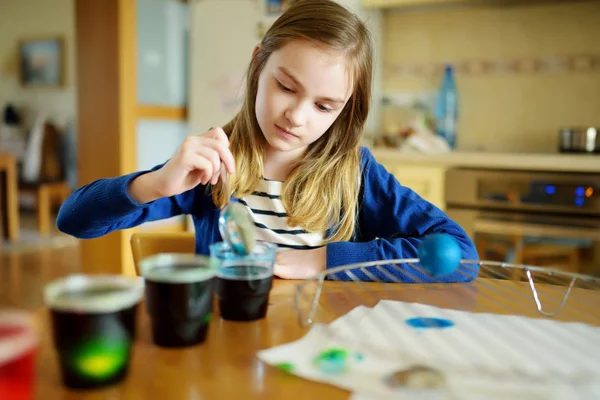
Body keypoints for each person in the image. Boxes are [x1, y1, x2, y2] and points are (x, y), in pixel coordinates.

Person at [57, 0, 479, 283]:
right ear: (258, 62)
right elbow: (73, 220)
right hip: (228, 349)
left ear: (347, 109)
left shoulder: (357, 174)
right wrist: (155, 184)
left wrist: (322, 261)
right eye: (287, 87)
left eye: (325, 106)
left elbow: (462, 256)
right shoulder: (213, 164)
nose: (296, 116)